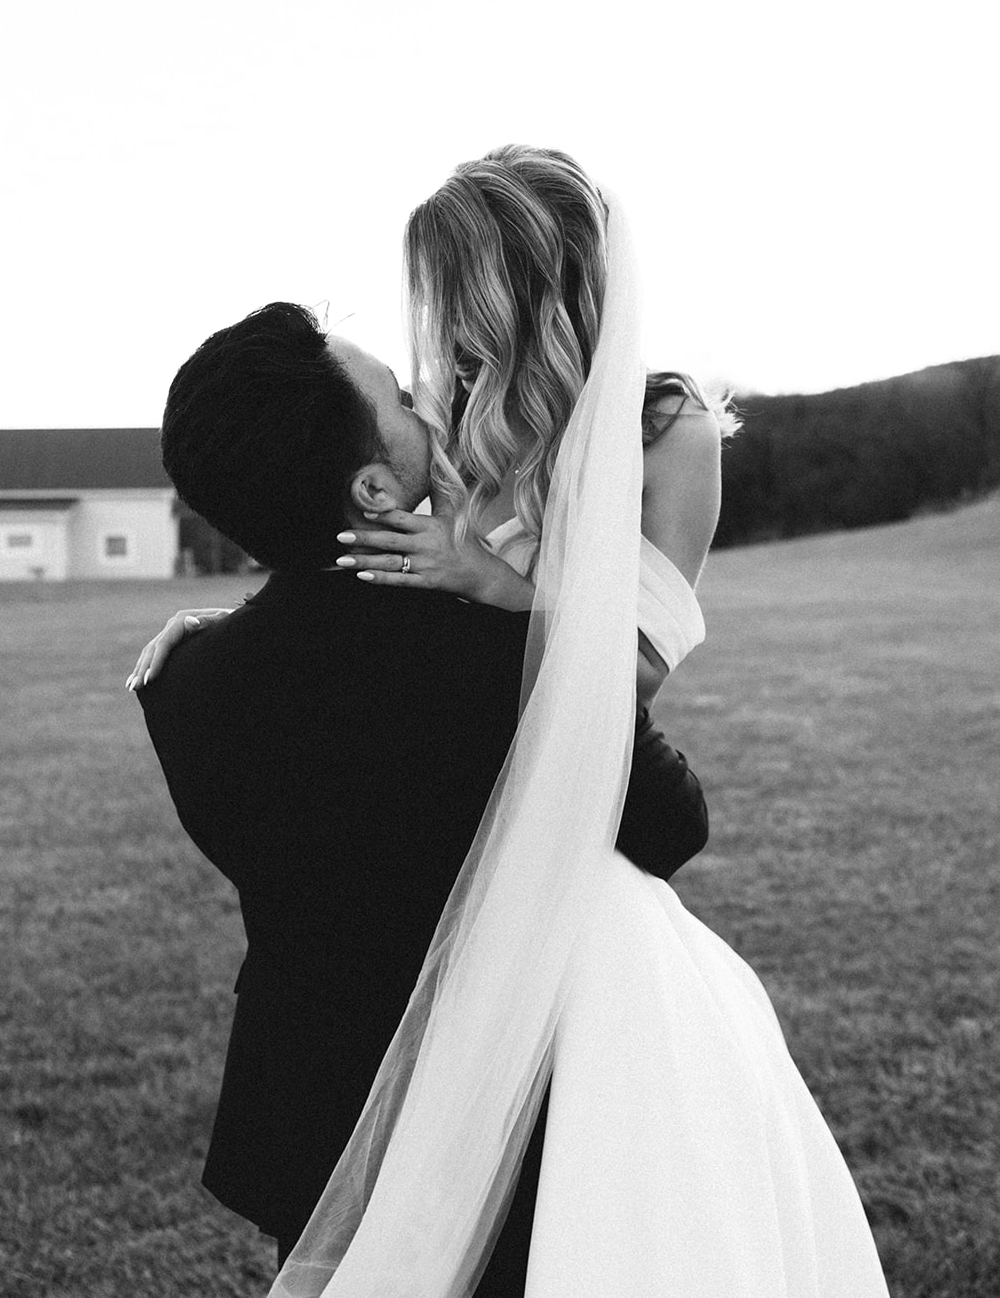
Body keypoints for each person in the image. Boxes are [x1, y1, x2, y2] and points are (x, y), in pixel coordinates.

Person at [134, 148, 889, 1297]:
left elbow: (605, 679)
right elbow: (651, 805)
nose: (428, 376)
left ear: (519, 291)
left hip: (397, 1016)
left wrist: (493, 590)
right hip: (518, 922)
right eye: (403, 380)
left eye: (445, 308)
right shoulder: (464, 462)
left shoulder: (659, 439)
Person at [134, 299, 712, 1293]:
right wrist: (530, 622)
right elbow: (671, 822)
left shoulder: (178, 681)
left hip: (318, 1129)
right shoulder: (483, 658)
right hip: (508, 1130)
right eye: (399, 401)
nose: (427, 411)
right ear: (371, 484)